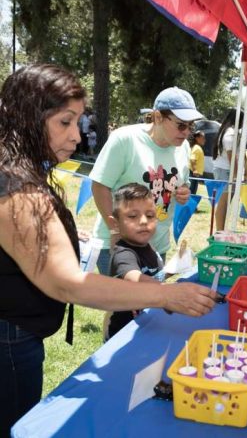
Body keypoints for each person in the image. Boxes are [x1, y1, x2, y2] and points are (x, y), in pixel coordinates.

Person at [0, 65, 217, 436]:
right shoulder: (17, 188)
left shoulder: (19, 171)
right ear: (28, 118)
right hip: (11, 337)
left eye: (78, 123)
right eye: (65, 122)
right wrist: (166, 294)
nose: (75, 137)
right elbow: (68, 284)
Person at [90, 86, 200, 274]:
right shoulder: (125, 139)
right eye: (181, 125)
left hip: (157, 247)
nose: (186, 132)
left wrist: (183, 192)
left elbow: (182, 183)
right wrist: (116, 230)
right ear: (158, 117)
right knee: (125, 303)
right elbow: (99, 186)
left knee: (150, 303)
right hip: (118, 245)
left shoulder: (183, 148)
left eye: (191, 126)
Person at [104, 183, 166, 340]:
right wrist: (172, 292)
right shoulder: (123, 254)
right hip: (124, 334)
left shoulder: (148, 246)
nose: (144, 221)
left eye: (150, 215)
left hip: (147, 325)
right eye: (133, 216)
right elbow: (135, 278)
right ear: (115, 223)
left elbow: (154, 276)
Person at [212, 108, 244, 231]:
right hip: (225, 171)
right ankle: (220, 231)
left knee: (224, 204)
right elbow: (232, 158)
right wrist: (237, 175)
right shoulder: (230, 134)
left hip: (223, 170)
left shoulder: (225, 131)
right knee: (223, 204)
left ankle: (221, 230)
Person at [189, 130, 205, 195]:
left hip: (193, 173)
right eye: (203, 138)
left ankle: (189, 205)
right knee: (191, 192)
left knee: (193, 192)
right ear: (197, 138)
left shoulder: (195, 147)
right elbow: (192, 159)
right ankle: (188, 205)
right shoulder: (197, 148)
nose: (204, 140)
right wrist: (195, 170)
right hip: (193, 173)